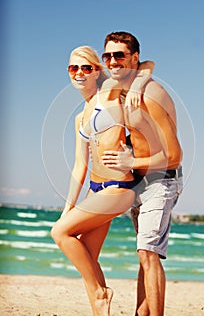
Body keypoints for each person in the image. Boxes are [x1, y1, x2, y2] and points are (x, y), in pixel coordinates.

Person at [51, 45, 154, 316]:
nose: (80, 73)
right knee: (87, 256)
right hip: (96, 191)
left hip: (119, 187)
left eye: (87, 67)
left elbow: (146, 65)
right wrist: (68, 207)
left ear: (98, 71)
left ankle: (102, 293)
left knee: (59, 232)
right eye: (74, 68)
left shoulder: (108, 91)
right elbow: (79, 166)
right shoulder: (78, 119)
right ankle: (100, 307)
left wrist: (135, 87)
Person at [101, 31, 183, 316]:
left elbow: (174, 156)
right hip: (139, 178)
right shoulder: (126, 84)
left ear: (132, 58)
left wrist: (130, 162)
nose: (112, 61)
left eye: (119, 55)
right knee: (144, 255)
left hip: (162, 178)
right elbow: (150, 62)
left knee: (148, 253)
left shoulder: (151, 95)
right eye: (108, 55)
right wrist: (140, 76)